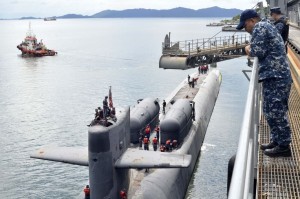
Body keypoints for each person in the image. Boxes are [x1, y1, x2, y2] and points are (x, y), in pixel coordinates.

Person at [237, 9, 292, 157]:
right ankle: (277, 140)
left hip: (276, 77)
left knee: (276, 111)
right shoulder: (266, 25)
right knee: (270, 110)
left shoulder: (260, 27)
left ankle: (284, 146)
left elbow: (257, 51)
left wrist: (247, 48)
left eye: (245, 25)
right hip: (274, 76)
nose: (245, 29)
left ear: (252, 21)